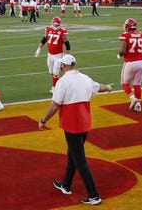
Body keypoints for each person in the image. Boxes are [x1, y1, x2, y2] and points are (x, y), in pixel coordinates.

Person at [38, 54, 111, 206]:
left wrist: (44, 119)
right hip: (85, 122)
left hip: (72, 124)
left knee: (80, 160)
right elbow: (99, 87)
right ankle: (66, 184)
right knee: (73, 153)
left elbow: (55, 104)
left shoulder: (62, 82)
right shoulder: (84, 77)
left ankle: (94, 195)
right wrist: (108, 88)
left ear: (63, 66)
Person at [118, 18, 142, 112]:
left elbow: (122, 51)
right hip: (141, 62)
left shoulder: (125, 35)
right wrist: (137, 52)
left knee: (125, 84)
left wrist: (119, 55)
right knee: (137, 84)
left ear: (128, 26)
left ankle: (132, 98)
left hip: (130, 62)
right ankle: (138, 105)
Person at [34, 17, 71, 93]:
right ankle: (59, 82)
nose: (55, 26)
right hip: (50, 54)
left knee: (55, 72)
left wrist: (68, 55)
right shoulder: (48, 29)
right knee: (51, 71)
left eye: (56, 24)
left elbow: (67, 43)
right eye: (54, 24)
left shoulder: (62, 31)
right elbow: (44, 39)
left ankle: (55, 88)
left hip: (58, 55)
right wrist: (39, 49)